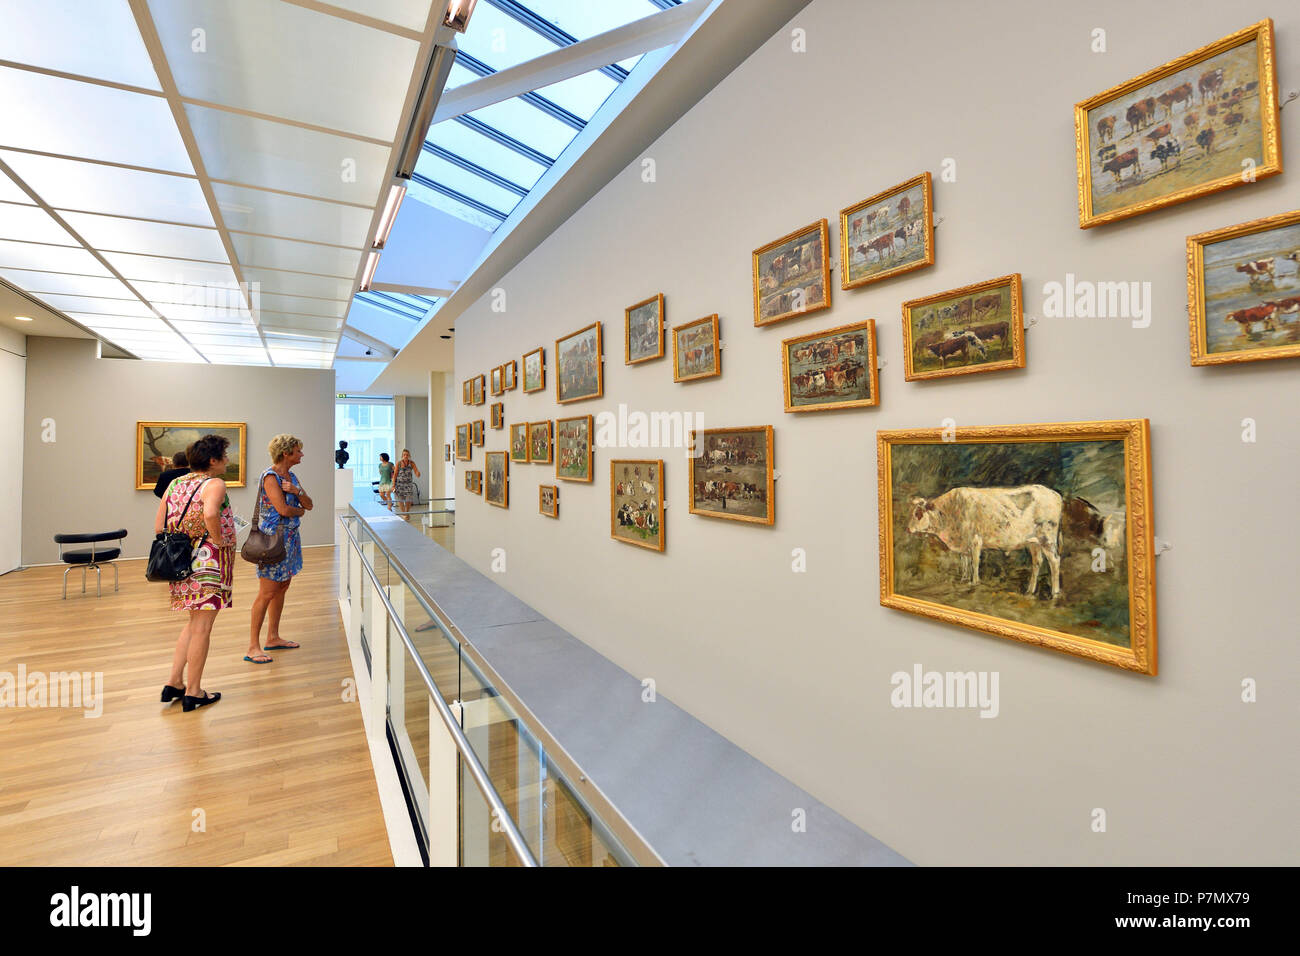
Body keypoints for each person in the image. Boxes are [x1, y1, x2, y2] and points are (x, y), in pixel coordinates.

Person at [155, 434, 233, 712]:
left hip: (182, 562)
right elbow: (211, 514)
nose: (227, 460)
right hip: (208, 561)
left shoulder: (176, 482)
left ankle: (174, 682)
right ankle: (194, 691)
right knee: (202, 627)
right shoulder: (214, 483)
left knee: (193, 623)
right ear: (213, 460)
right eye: (224, 455)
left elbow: (159, 525)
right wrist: (219, 540)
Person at [248, 434, 313, 663]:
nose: (301, 454)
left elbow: (309, 504)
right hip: (273, 541)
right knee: (266, 593)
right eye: (298, 451)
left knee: (283, 586)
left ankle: (273, 637)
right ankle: (253, 646)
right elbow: (284, 510)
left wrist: (296, 493)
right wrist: (299, 510)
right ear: (286, 453)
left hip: (290, 539)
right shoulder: (270, 477)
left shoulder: (291, 476)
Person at [392, 449, 420, 517]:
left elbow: (416, 471)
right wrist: (393, 485)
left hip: (408, 484)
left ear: (409, 455)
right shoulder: (398, 463)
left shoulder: (412, 463)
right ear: (402, 455)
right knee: (400, 499)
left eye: (407, 455)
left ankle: (407, 512)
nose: (405, 456)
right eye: (404, 455)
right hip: (399, 484)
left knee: (408, 499)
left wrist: (418, 473)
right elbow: (395, 475)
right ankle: (403, 513)